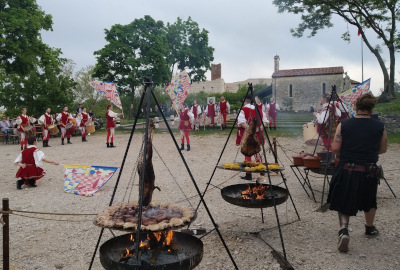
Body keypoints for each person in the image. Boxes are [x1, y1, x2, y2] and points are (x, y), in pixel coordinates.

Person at [327, 93, 387, 253]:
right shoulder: (380, 126)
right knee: (369, 200)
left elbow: (335, 148)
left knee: (344, 199)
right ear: (371, 108)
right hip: (369, 170)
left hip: (348, 169)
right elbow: (383, 149)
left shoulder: (344, 125)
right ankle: (369, 228)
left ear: (355, 107)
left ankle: (344, 230)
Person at [236, 94, 265, 181]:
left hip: (248, 135)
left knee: (247, 152)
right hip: (257, 134)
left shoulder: (243, 110)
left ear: (244, 101)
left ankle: (249, 174)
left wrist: (251, 130)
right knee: (256, 151)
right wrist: (259, 129)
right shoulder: (259, 109)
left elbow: (242, 123)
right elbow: (265, 121)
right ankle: (261, 170)